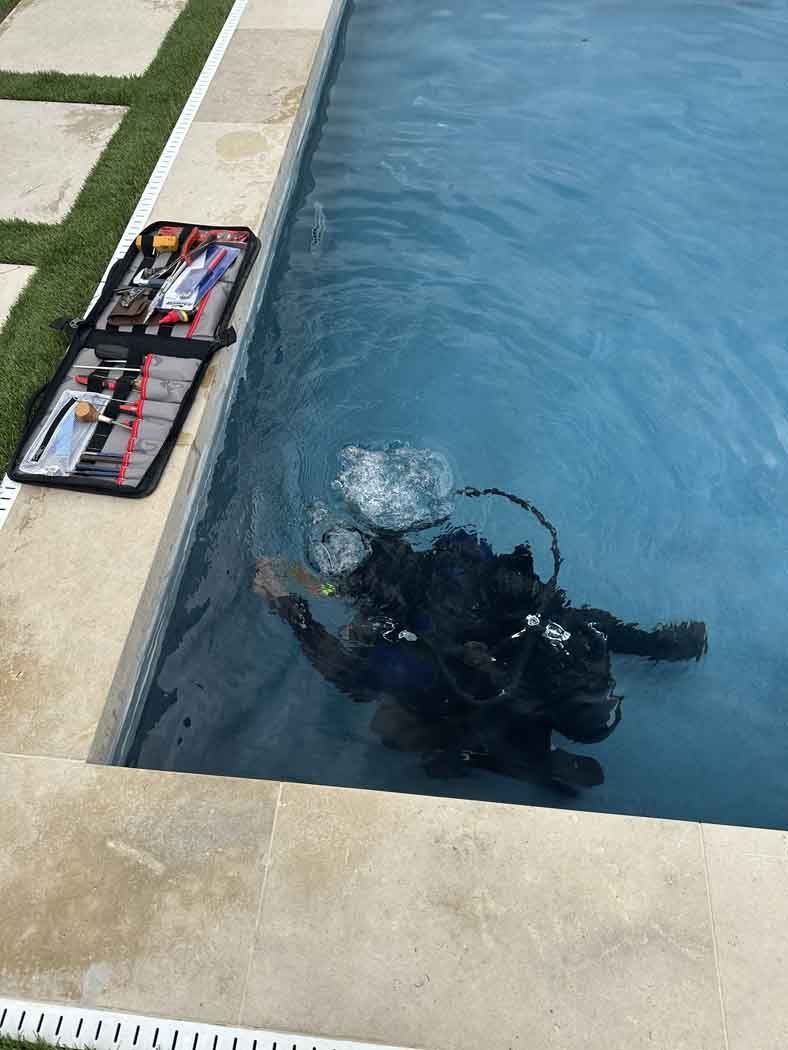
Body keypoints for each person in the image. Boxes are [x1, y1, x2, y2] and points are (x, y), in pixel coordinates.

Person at [253, 503, 707, 791]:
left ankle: (507, 760)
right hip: (546, 657)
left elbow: (347, 675)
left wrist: (286, 604)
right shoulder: (461, 554)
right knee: (566, 622)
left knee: (391, 731)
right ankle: (658, 647)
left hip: (504, 696)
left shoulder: (409, 653)